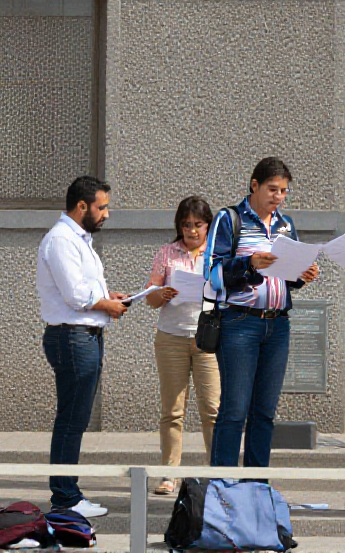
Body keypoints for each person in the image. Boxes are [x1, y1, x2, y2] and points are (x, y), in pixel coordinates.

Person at [206, 157, 320, 472]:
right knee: (234, 410)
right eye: (273, 189)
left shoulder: (286, 225)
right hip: (240, 322)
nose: (278, 197)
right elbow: (213, 274)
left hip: (277, 324)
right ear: (254, 185)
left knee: (265, 412)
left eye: (284, 191)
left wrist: (302, 274)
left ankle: (257, 485)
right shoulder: (229, 220)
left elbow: (288, 278)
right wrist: (249, 264)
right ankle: (223, 487)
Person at [36, 175, 128, 518]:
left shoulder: (78, 239)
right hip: (72, 337)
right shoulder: (61, 239)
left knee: (75, 419)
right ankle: (64, 498)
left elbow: (83, 290)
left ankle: (68, 493)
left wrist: (109, 297)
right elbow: (76, 296)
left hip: (82, 336)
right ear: (81, 206)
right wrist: (106, 305)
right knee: (71, 419)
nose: (106, 213)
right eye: (101, 207)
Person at [144, 195, 220, 495]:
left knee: (212, 409)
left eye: (197, 225)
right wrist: (161, 294)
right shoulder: (166, 253)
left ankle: (217, 474)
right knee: (172, 410)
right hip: (171, 337)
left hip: (207, 339)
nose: (191, 231)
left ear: (208, 226)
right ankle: (168, 474)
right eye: (185, 225)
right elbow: (148, 297)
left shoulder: (217, 253)